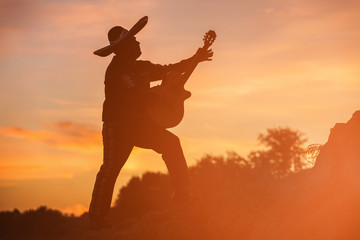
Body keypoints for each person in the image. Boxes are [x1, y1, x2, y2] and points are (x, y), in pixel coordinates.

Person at [89, 16, 213, 229]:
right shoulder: (117, 71)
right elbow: (135, 96)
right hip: (117, 127)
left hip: (138, 125)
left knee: (171, 144)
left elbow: (170, 69)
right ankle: (97, 219)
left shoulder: (142, 67)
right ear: (123, 48)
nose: (138, 43)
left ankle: (182, 194)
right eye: (133, 41)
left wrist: (196, 58)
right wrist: (158, 96)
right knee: (110, 169)